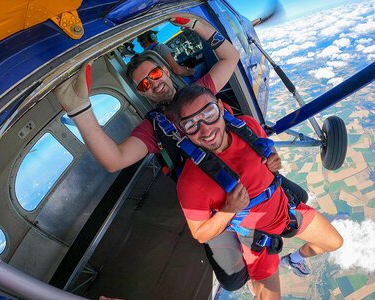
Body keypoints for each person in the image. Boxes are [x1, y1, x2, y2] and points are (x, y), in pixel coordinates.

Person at [53, 15, 308, 293]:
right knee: (234, 280)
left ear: (164, 69)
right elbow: (114, 160)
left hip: (248, 174)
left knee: (299, 199)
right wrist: (80, 111)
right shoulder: (153, 128)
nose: (152, 84)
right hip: (211, 201)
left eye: (154, 75)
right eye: (143, 85)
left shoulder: (199, 93)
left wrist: (196, 25)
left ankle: (287, 253)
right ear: (143, 94)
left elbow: (230, 58)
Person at [167, 85, 344, 299]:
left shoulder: (246, 126)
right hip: (259, 238)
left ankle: (293, 260)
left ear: (221, 108)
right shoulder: (190, 181)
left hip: (287, 211)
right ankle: (256, 276)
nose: (205, 130)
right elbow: (200, 233)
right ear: (182, 130)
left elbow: (266, 146)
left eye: (209, 114)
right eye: (191, 124)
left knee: (334, 243)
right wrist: (228, 211)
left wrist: (274, 158)